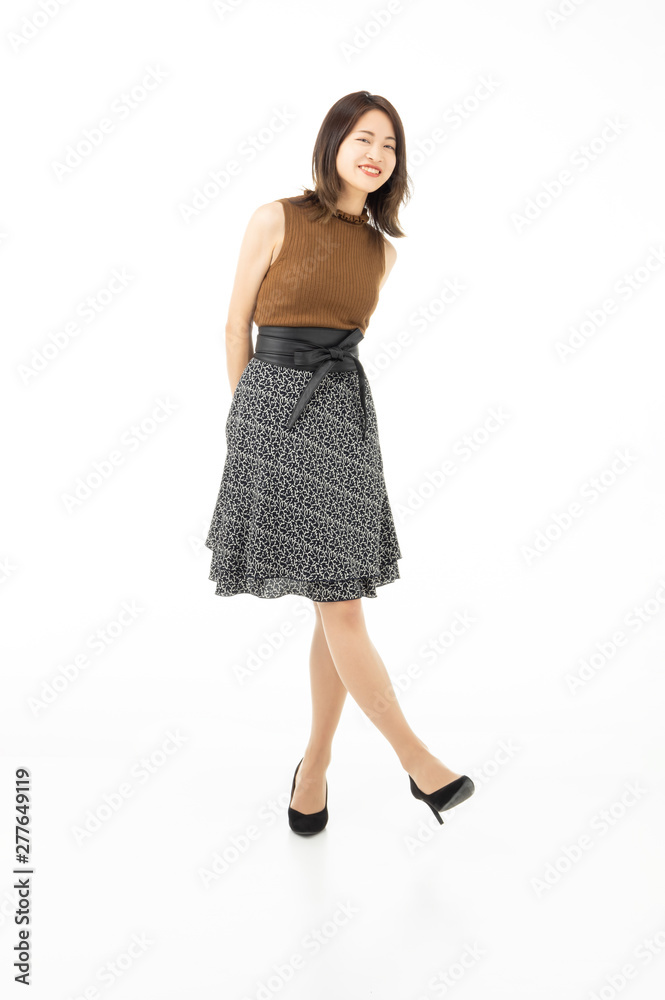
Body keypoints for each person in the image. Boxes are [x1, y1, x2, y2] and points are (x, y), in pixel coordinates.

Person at [205, 91, 474, 835]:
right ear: (332, 144)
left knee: (339, 600)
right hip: (273, 413)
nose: (376, 153)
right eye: (363, 138)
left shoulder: (382, 253)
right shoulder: (274, 218)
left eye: (389, 145)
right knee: (341, 605)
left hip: (344, 420)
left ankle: (314, 769)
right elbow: (235, 324)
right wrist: (247, 425)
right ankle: (418, 761)